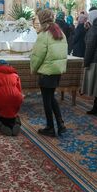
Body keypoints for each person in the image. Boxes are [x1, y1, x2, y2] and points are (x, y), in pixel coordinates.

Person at [30, 9, 68, 137]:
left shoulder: (44, 34)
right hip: (57, 71)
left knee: (47, 100)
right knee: (51, 98)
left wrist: (33, 69)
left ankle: (50, 127)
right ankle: (61, 124)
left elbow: (37, 56)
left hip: (46, 72)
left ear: (41, 20)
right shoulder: (59, 32)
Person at [0, 59, 24, 136]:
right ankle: (16, 123)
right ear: (8, 65)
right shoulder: (15, 74)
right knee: (12, 113)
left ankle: (0, 124)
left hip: (1, 96)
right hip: (16, 97)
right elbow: (19, 89)